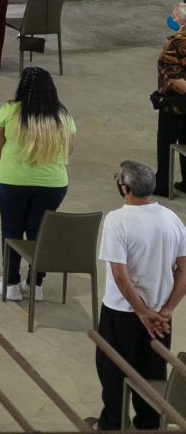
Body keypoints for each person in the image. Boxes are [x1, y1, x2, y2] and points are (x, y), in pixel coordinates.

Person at [96, 161, 186, 430]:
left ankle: (111, 424)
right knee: (153, 371)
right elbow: (184, 268)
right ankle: (149, 422)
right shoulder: (172, 218)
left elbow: (120, 275)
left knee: (112, 369)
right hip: (161, 315)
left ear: (125, 188)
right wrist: (167, 310)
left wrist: (141, 312)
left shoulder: (116, 220)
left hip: (122, 312)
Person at [0, 65, 76, 300]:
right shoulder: (63, 116)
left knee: (11, 229)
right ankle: (36, 285)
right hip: (53, 184)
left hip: (11, 181)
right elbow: (70, 148)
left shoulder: (9, 110)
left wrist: (9, 164)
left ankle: (11, 284)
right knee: (39, 232)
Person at [155, 13, 186, 197]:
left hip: (175, 106)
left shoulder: (175, 43)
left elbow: (176, 80)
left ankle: (163, 184)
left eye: (173, 15)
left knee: (166, 143)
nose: (170, 18)